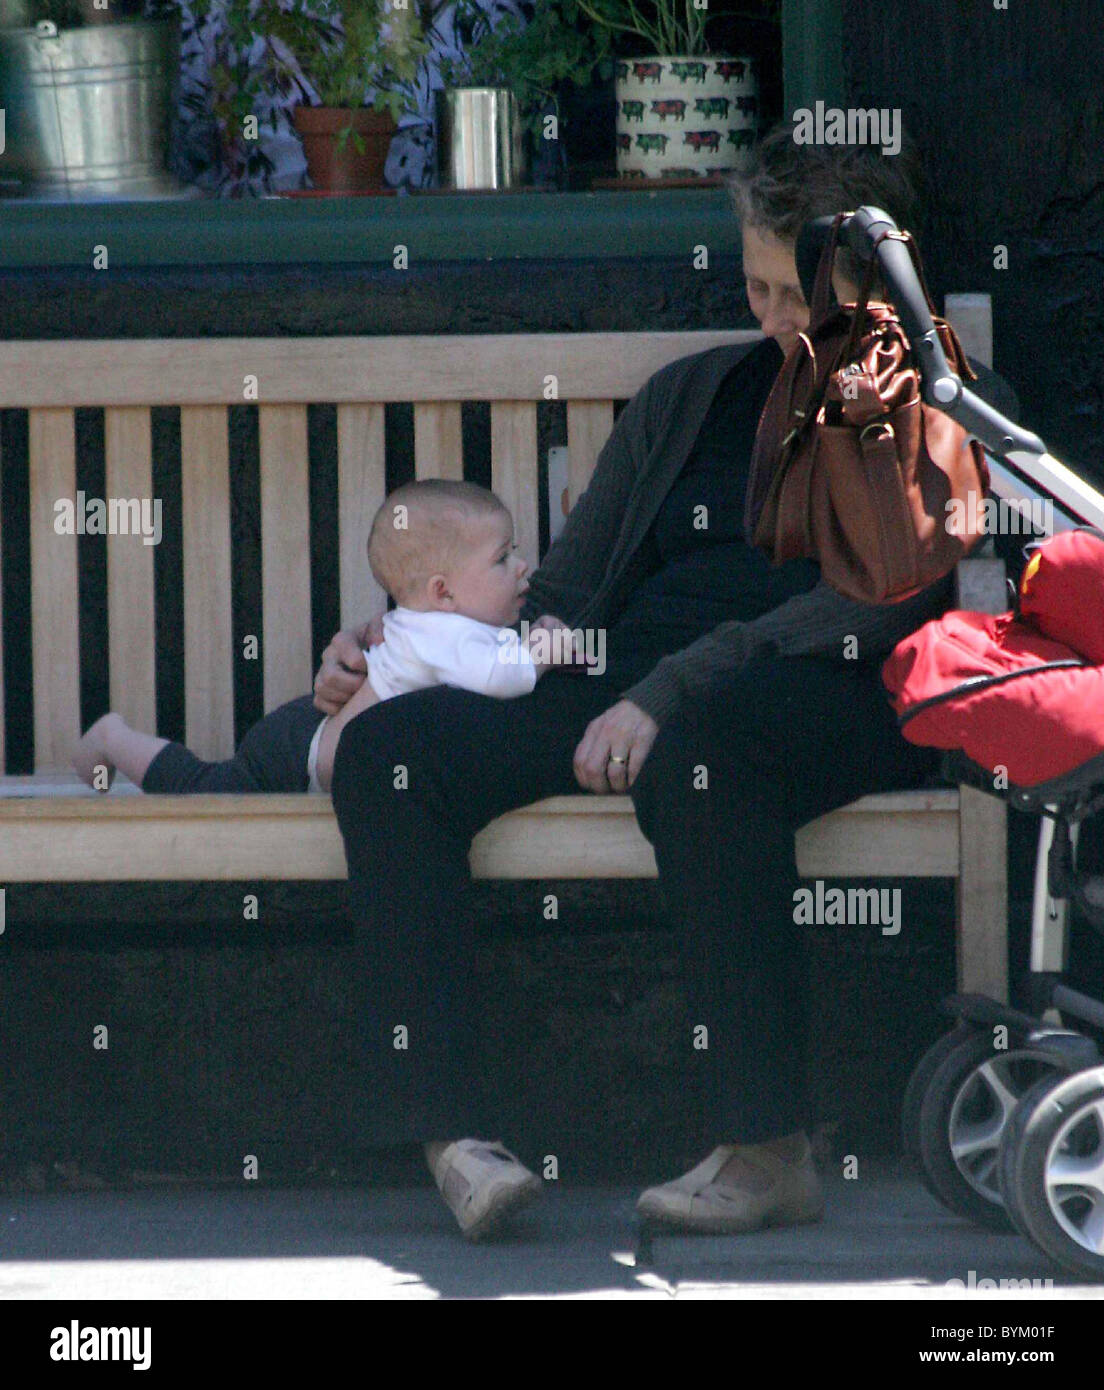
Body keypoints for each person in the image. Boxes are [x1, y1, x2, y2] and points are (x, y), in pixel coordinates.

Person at [312, 125, 1021, 1242]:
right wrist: (410, 646)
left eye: (799, 295)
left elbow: (879, 595)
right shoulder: (686, 398)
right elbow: (567, 591)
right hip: (624, 690)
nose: (772, 318)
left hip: (820, 687)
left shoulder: (927, 403)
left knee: (702, 759)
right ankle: (453, 1138)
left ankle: (768, 1148)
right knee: (391, 752)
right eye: (753, 285)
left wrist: (673, 689)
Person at [72, 480, 581, 796]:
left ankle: (116, 739)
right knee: (205, 790)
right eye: (502, 559)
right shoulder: (439, 636)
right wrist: (543, 649)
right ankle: (113, 738)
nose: (522, 568)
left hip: (314, 734)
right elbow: (499, 677)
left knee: (212, 782)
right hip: (295, 756)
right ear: (443, 592)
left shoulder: (444, 625)